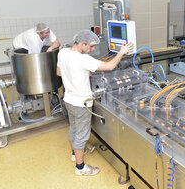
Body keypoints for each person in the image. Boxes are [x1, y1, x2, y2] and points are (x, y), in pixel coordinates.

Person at [57, 29, 133, 176]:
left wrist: (82, 73)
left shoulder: (63, 52)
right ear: (82, 43)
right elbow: (110, 66)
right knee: (82, 135)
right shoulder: (83, 59)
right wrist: (121, 52)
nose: (92, 50)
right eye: (91, 47)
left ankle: (74, 154)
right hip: (82, 103)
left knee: (73, 129)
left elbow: (60, 72)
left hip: (68, 100)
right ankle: (80, 167)